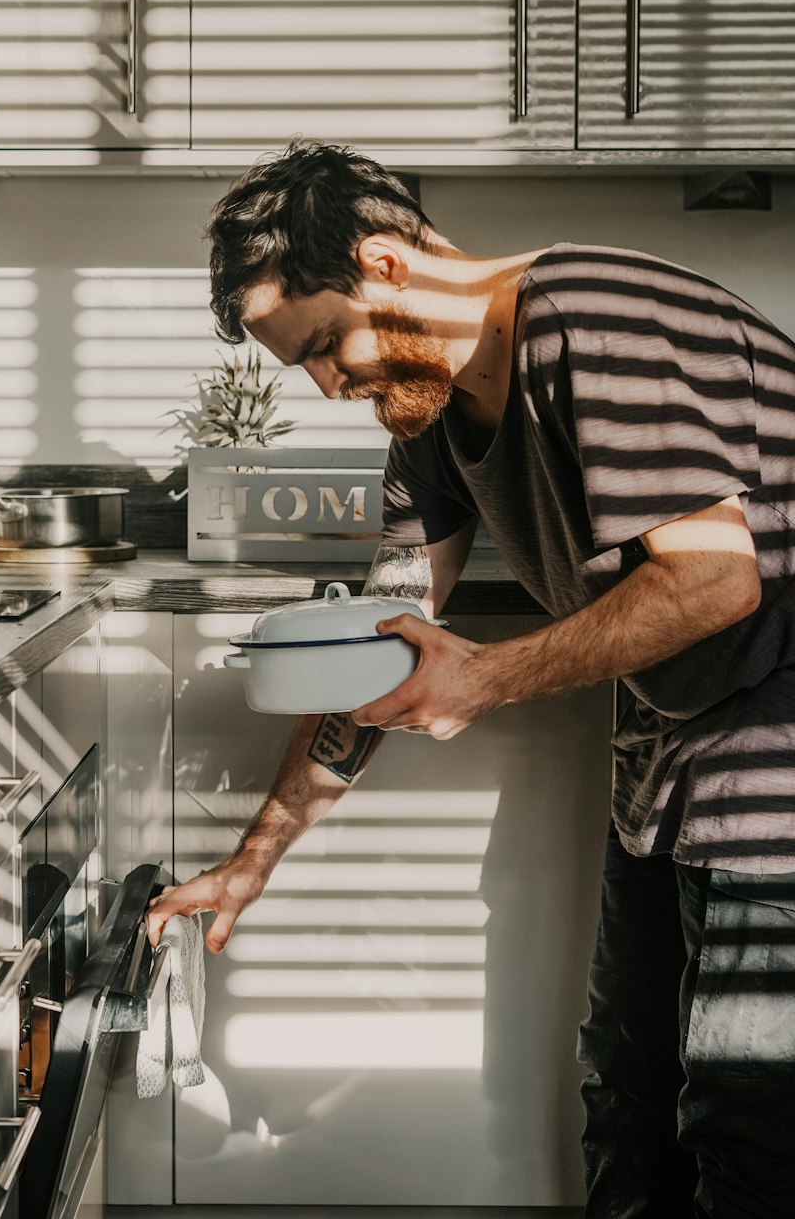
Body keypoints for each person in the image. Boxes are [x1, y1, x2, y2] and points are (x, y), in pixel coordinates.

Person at [145, 139, 795, 1219]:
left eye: (322, 342)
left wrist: (484, 676)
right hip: (675, 749)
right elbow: (383, 649)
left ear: (387, 265)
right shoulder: (430, 419)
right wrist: (250, 862)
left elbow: (713, 583)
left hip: (774, 745)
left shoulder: (595, 316)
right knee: (627, 1091)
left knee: (748, 1115)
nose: (322, 382)